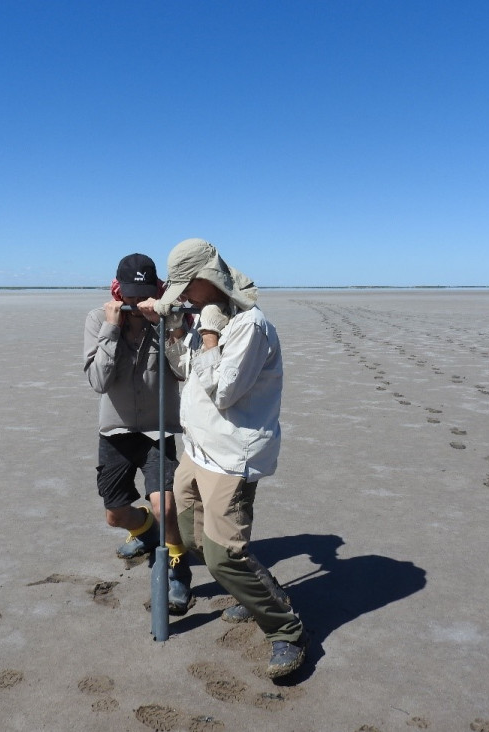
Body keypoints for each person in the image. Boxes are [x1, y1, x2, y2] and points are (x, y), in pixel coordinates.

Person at [138, 238, 308, 678]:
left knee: (223, 557)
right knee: (192, 534)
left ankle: (285, 629)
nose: (184, 299)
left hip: (230, 457)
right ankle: (253, 595)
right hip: (198, 450)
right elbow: (186, 371)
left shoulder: (249, 325)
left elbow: (226, 391)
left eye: (185, 289)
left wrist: (210, 334)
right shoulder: (204, 318)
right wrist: (179, 332)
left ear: (204, 281)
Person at [83, 253, 192, 614]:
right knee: (115, 514)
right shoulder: (97, 319)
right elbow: (98, 381)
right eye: (129, 294)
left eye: (143, 293)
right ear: (117, 290)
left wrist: (166, 328)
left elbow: (184, 372)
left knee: (165, 503)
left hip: (157, 431)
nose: (135, 301)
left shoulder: (171, 317)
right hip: (115, 430)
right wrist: (112, 329)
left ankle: (177, 570)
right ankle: (145, 532)